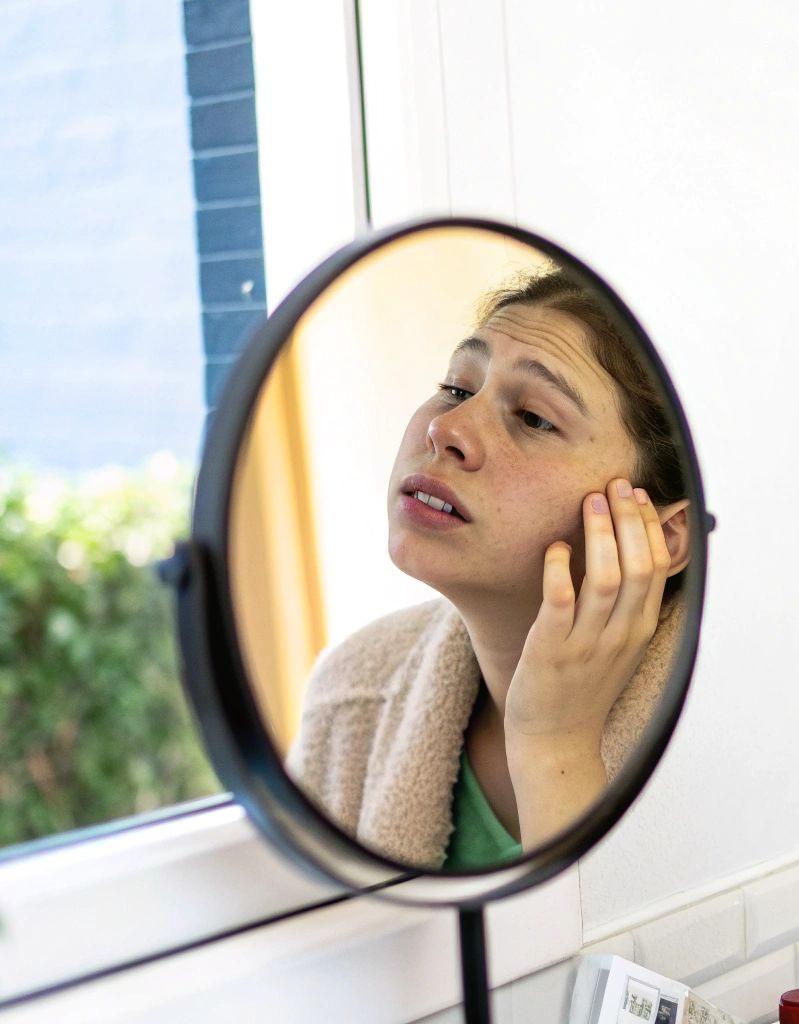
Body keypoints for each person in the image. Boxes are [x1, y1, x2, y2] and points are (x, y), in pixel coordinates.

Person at [286, 265, 693, 871]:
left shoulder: (715, 738)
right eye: (455, 388)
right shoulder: (353, 696)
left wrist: (555, 741)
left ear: (658, 534)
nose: (444, 428)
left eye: (533, 418)